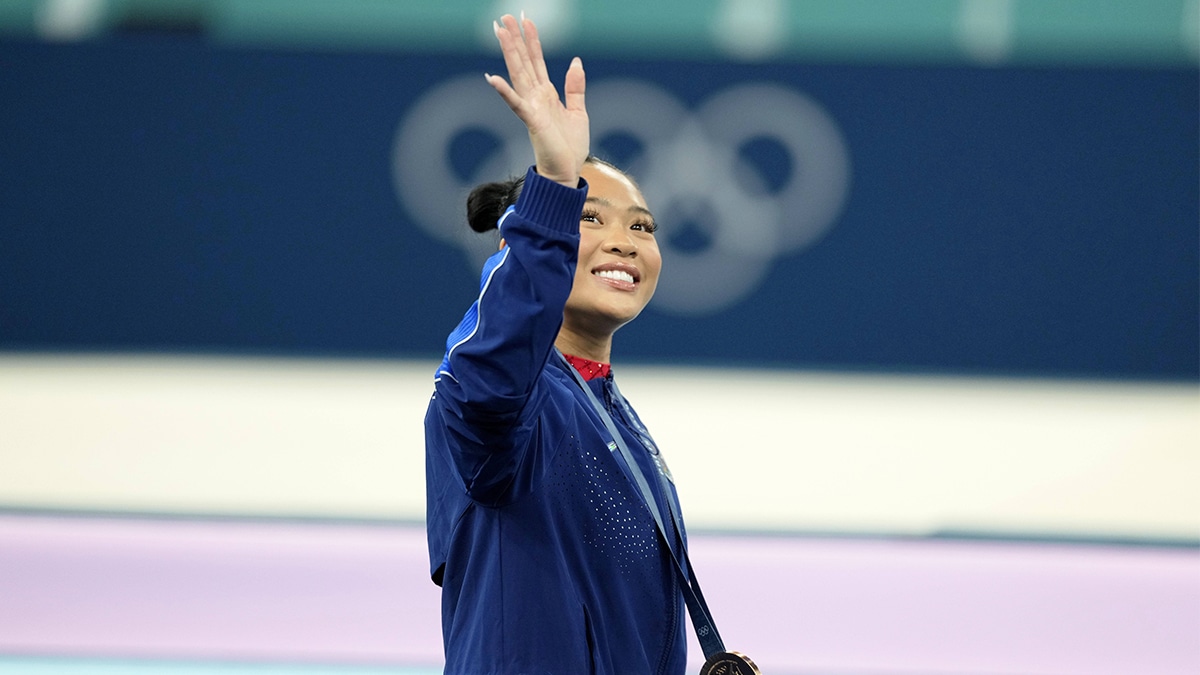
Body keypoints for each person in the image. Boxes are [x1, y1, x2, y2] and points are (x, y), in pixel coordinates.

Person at [423, 13, 689, 675]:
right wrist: (552, 182)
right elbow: (488, 377)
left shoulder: (615, 416)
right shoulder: (508, 402)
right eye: (588, 217)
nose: (625, 240)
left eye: (643, 225)